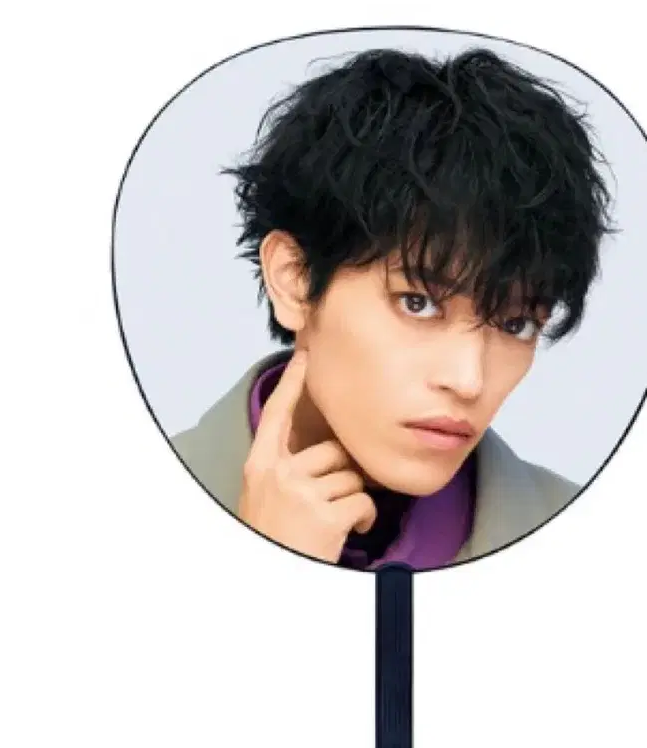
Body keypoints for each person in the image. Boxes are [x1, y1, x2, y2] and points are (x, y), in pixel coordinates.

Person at [170, 46, 614, 571]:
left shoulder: (594, 548)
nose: (468, 380)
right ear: (294, 279)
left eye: (515, 324)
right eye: (418, 303)